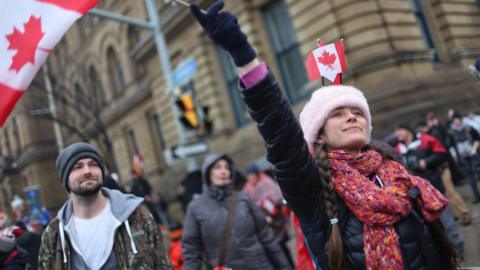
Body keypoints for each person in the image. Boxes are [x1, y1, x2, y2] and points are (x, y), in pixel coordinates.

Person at [190, 2, 458, 269]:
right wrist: (243, 56)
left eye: (357, 111)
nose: (352, 117)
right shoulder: (311, 186)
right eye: (337, 114)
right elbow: (279, 129)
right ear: (319, 134)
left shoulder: (395, 171)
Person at [38, 142, 173, 269]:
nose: (87, 171)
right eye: (77, 167)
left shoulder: (137, 216)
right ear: (65, 178)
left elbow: (162, 264)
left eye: (93, 164)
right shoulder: (54, 234)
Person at [182, 154, 291, 270]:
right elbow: (191, 250)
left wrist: (285, 267)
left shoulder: (243, 198)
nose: (223, 171)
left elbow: (266, 237)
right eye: (218, 167)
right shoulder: (195, 208)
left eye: (227, 168)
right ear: (208, 173)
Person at [395, 123, 465, 259]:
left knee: (448, 224)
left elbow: (442, 153)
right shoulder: (398, 149)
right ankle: (446, 254)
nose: (397, 135)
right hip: (416, 195)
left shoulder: (425, 140)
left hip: (434, 189)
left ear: (407, 130)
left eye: (399, 131)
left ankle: (458, 250)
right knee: (432, 230)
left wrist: (426, 162)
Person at [448, 113, 480, 202]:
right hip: (463, 156)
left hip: (473, 154)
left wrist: (474, 148)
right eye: (454, 120)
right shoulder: (451, 132)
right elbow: (451, 145)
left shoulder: (468, 128)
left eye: (457, 119)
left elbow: (477, 139)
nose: (456, 121)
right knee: (470, 177)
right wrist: (455, 155)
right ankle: (476, 195)